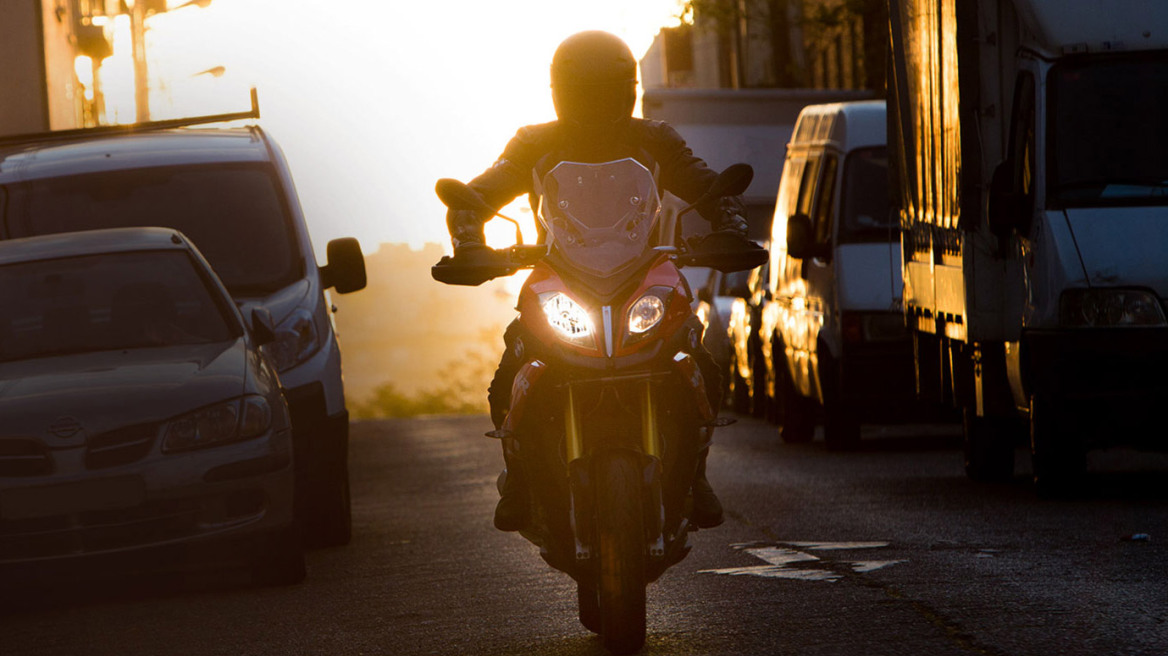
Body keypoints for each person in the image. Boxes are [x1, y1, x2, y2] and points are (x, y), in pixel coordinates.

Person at [445, 30, 749, 533]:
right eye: (587, 90)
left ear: (626, 88)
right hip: (560, 276)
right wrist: (470, 239)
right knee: (516, 359)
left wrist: (729, 225)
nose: (595, 101)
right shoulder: (533, 143)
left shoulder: (656, 139)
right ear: (562, 91)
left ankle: (695, 474)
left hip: (643, 273)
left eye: (605, 89)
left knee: (695, 355)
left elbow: (707, 183)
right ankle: (519, 475)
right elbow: (479, 193)